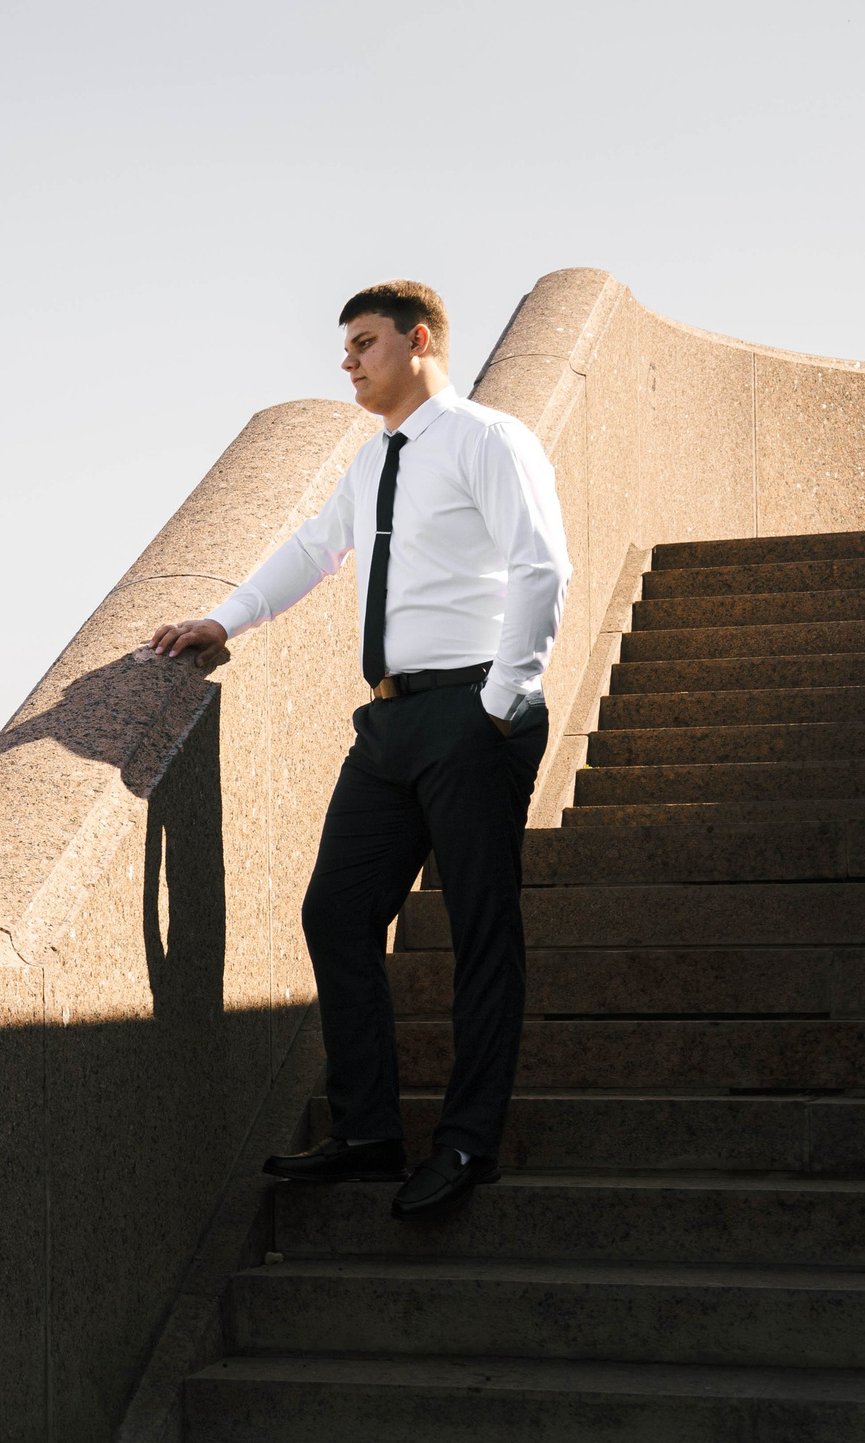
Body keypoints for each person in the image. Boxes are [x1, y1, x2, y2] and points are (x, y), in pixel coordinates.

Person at [148, 281, 571, 1220]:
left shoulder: (487, 439)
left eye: (366, 342)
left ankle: (467, 1142)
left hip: (473, 712)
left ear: (420, 341)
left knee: (481, 930)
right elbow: (313, 549)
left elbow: (544, 564)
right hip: (387, 723)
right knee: (336, 912)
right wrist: (222, 619)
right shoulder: (373, 461)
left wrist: (502, 702)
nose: (349, 359)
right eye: (345, 346)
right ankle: (369, 1131)